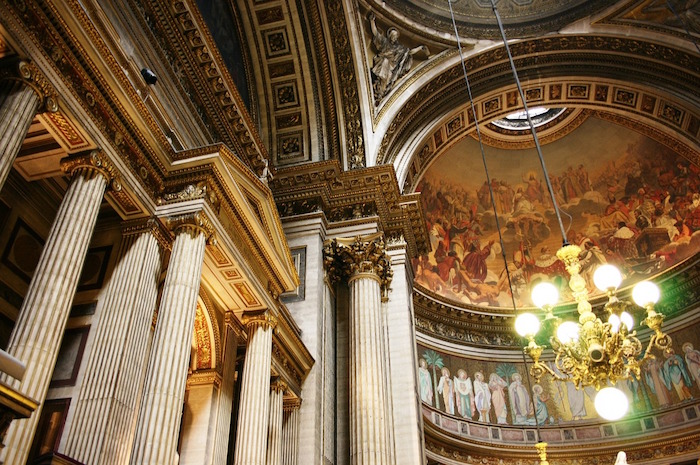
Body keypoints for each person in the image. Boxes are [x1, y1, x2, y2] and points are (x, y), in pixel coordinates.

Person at [368, 12, 428, 102]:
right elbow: (376, 33)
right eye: (392, 35)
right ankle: (379, 89)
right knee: (385, 62)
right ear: (389, 36)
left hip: (392, 68)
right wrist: (372, 21)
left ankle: (381, 91)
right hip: (383, 62)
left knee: (387, 77)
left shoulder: (399, 48)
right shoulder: (385, 42)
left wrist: (419, 48)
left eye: (395, 36)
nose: (394, 37)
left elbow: (409, 52)